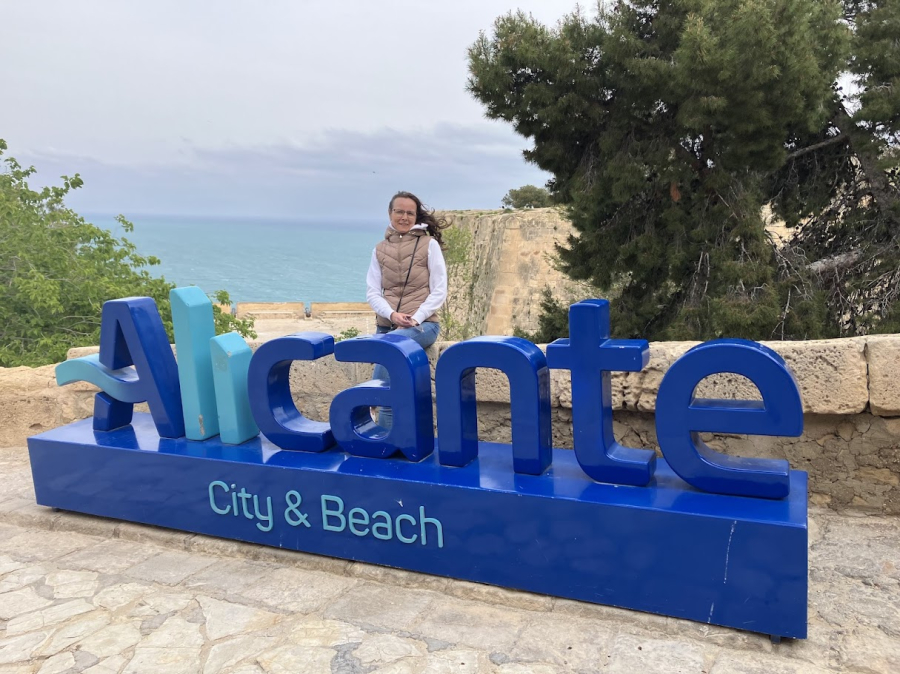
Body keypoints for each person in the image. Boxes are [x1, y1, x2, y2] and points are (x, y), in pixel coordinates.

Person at [366, 191, 449, 429]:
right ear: (390, 213)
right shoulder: (379, 249)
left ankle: (371, 399)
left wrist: (416, 317)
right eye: (399, 211)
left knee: (388, 351)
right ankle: (385, 440)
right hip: (387, 326)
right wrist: (392, 315)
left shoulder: (429, 245)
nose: (404, 217)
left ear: (416, 216)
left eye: (410, 213)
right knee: (393, 390)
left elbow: (439, 289)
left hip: (422, 326)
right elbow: (372, 292)